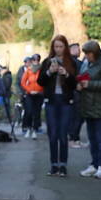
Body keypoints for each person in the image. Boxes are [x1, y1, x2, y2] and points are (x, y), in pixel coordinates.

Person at [38, 34, 79, 176]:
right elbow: (40, 82)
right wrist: (50, 72)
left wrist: (66, 74)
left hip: (65, 101)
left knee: (63, 134)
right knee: (53, 134)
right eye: (56, 46)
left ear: (65, 47)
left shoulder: (71, 62)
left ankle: (63, 165)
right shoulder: (47, 62)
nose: (58, 49)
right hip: (51, 101)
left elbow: (75, 83)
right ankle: (54, 165)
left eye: (61, 46)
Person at [76, 40, 101, 178]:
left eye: (88, 53)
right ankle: (93, 164)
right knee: (92, 139)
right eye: (85, 53)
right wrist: (80, 84)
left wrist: (89, 84)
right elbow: (83, 78)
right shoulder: (86, 63)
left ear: (95, 52)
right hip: (88, 106)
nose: (86, 56)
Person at [20, 56, 43, 138]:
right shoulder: (28, 71)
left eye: (37, 60)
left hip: (39, 94)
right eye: (34, 60)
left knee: (37, 113)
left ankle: (35, 130)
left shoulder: (42, 70)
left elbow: (44, 81)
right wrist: (29, 90)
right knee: (29, 111)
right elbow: (23, 82)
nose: (36, 61)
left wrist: (40, 90)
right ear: (32, 61)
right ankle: (28, 128)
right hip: (30, 94)